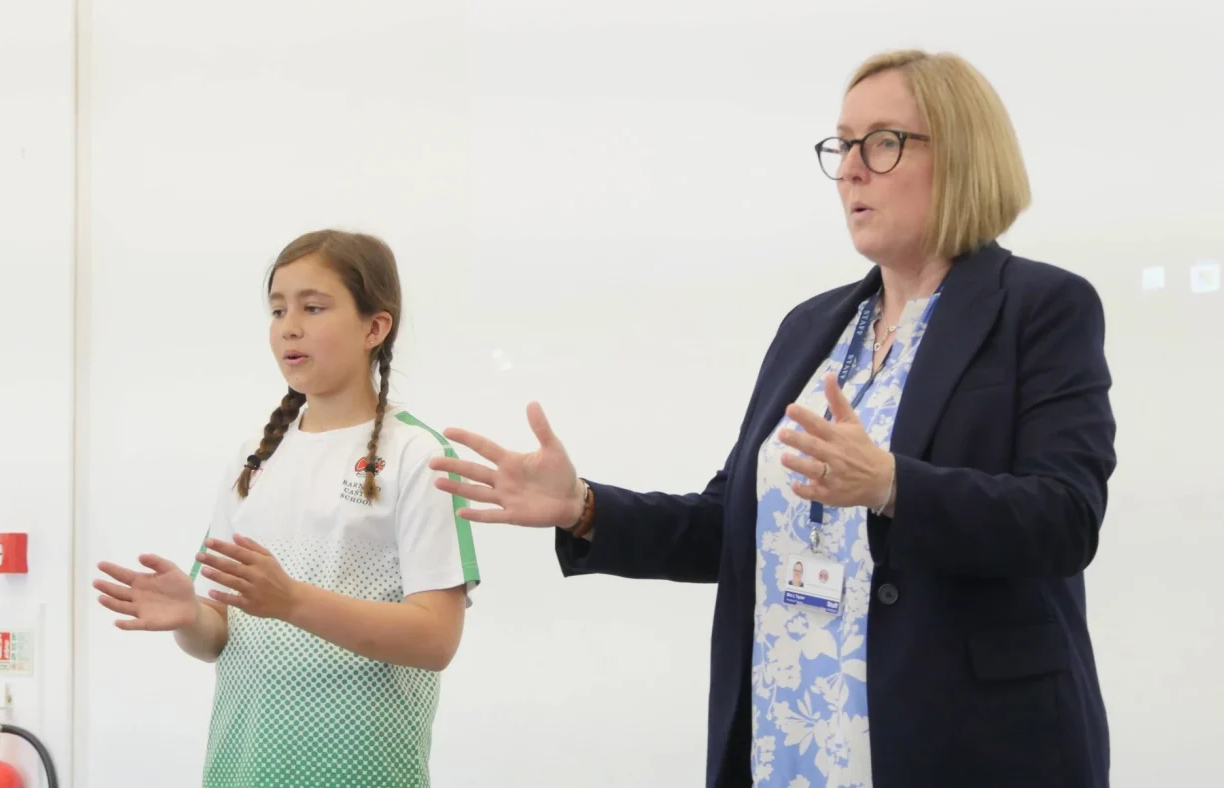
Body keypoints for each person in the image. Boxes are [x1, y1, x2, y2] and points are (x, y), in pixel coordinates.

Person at [430, 49, 1114, 788]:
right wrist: (584, 507)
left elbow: (1066, 517)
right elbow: (732, 526)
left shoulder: (1039, 309)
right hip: (790, 735)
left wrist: (892, 486)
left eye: (882, 143)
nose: (852, 168)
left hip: (961, 738)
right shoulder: (813, 328)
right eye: (842, 145)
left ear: (963, 154)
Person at [93, 230, 480, 787]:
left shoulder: (420, 456)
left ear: (375, 327)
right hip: (241, 767)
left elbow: (436, 640)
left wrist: (293, 601)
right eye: (278, 310)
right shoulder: (255, 459)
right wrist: (188, 618)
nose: (289, 327)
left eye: (313, 307)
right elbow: (218, 634)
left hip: (364, 771)